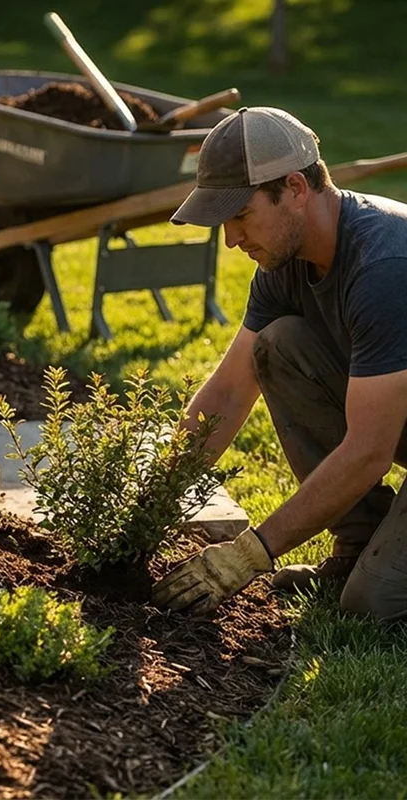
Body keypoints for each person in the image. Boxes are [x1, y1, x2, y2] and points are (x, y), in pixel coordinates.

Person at [150, 106, 407, 621]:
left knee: (372, 605)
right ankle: (357, 544)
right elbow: (226, 393)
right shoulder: (284, 262)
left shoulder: (383, 266)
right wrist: (151, 507)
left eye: (241, 216)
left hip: (385, 438)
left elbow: (368, 451)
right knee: (278, 342)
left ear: (294, 188)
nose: (231, 239)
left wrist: (250, 554)